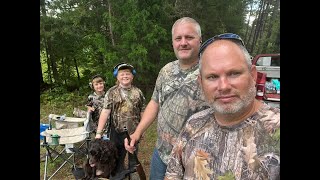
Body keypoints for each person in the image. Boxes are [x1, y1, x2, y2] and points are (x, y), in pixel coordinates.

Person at [164, 33, 280, 180]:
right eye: (212, 77)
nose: (223, 86)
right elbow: (173, 174)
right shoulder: (193, 124)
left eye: (234, 73)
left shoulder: (275, 128)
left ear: (253, 75)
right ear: (201, 83)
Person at [124, 17, 209, 179]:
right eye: (178, 38)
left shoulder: (211, 72)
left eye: (189, 37)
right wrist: (138, 132)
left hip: (196, 159)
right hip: (161, 154)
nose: (183, 42)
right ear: (173, 43)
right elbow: (155, 102)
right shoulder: (166, 71)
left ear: (200, 40)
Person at [95, 63, 146, 176]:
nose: (125, 76)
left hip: (133, 133)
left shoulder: (138, 93)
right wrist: (99, 133)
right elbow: (105, 112)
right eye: (121, 74)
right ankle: (118, 176)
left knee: (133, 161)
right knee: (117, 161)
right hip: (117, 133)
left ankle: (132, 176)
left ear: (132, 76)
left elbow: (143, 111)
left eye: (127, 73)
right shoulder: (112, 92)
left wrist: (142, 130)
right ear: (117, 77)